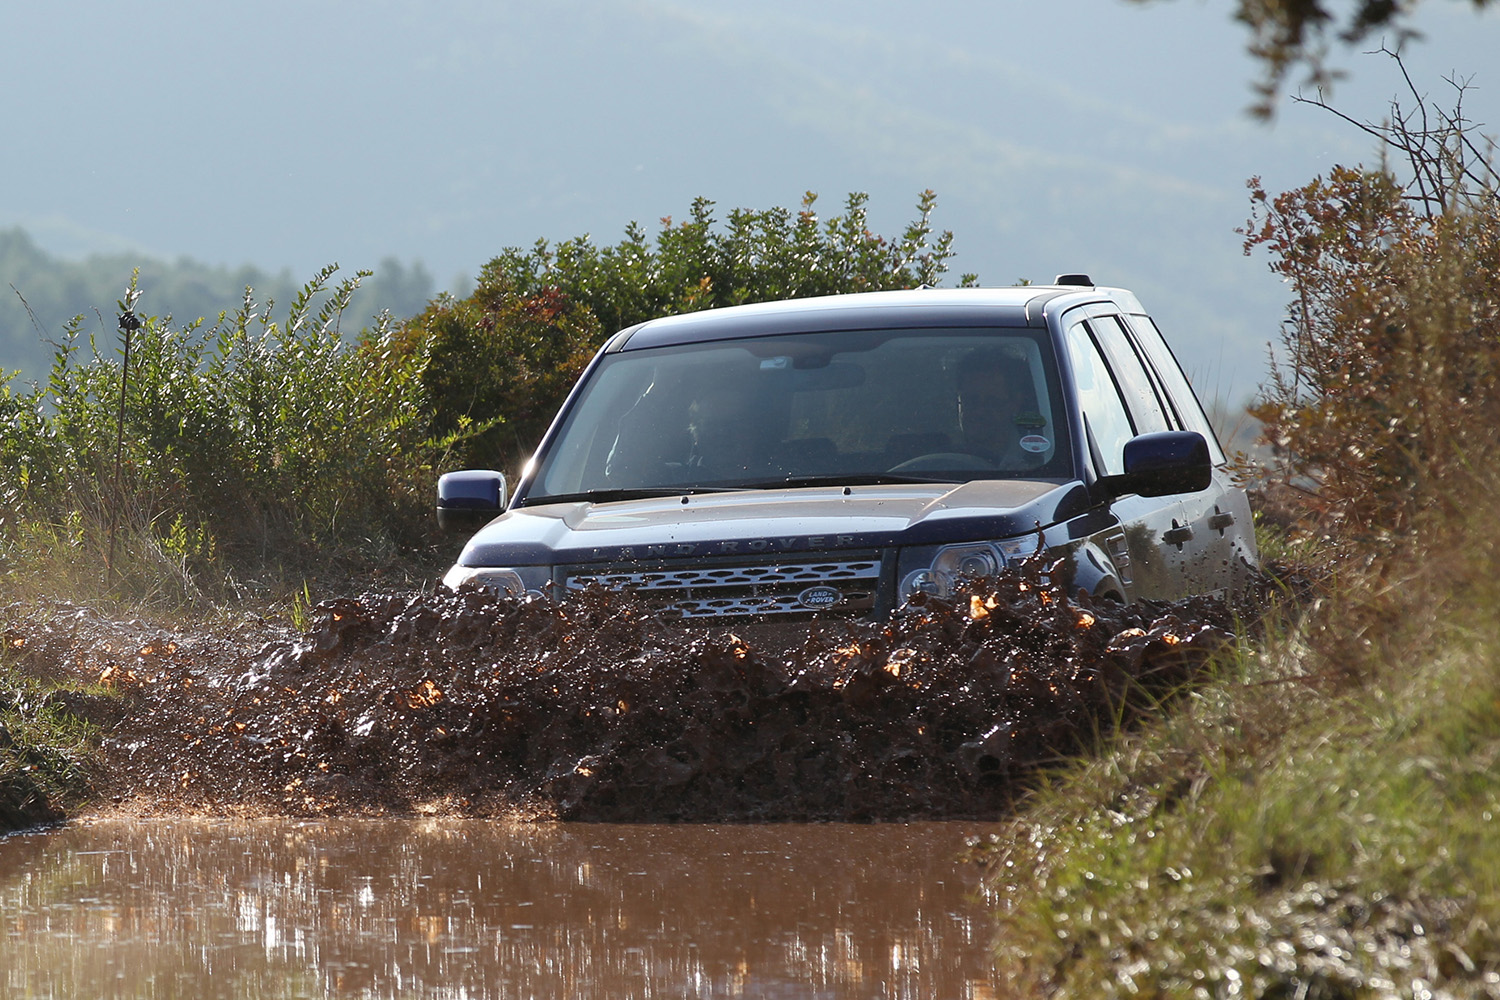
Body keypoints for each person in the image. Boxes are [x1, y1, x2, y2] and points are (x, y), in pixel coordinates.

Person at [955, 353, 1046, 469]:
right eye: (970, 400)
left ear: (1015, 404)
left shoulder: (1038, 463)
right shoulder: (936, 456)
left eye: (992, 402)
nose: (979, 411)